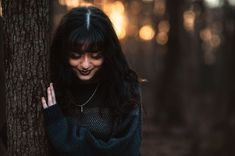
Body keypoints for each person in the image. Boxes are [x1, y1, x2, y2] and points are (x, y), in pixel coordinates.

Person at [41, 6, 142, 156]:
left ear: (108, 53)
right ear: (63, 52)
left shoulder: (125, 90)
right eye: (76, 55)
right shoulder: (51, 88)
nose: (85, 65)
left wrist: (59, 129)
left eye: (95, 55)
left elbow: (124, 150)